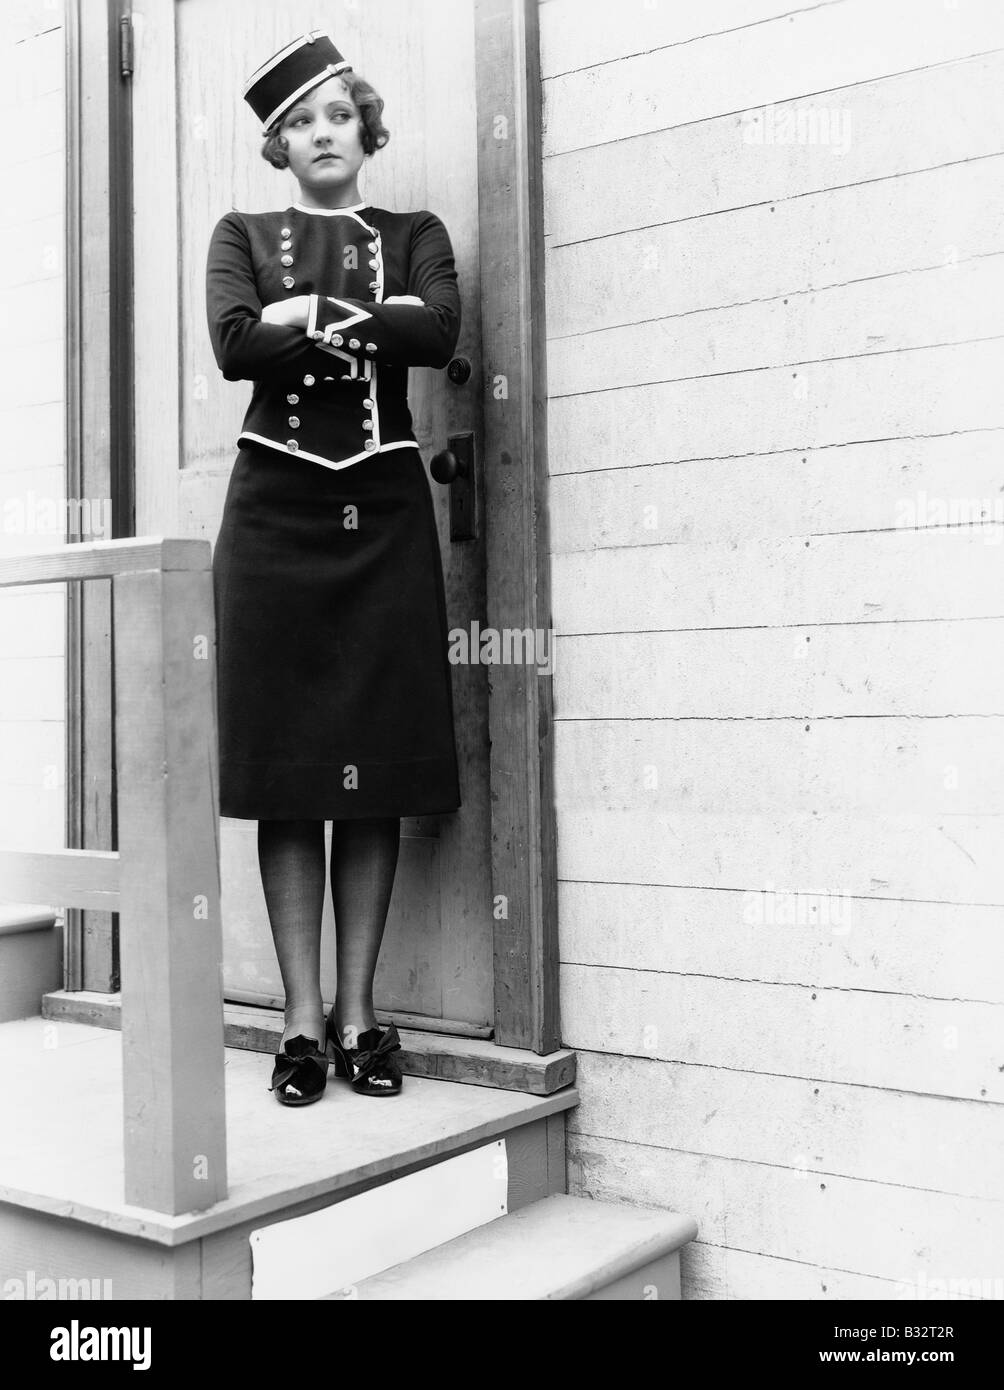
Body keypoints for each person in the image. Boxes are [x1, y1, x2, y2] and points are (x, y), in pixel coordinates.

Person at [205, 31, 462, 1106]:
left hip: (384, 516)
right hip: (272, 518)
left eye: (339, 116)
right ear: (278, 143)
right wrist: (347, 323)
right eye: (301, 121)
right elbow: (231, 343)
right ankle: (298, 1025)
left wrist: (300, 316)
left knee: (371, 770)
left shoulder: (415, 232)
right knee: (292, 775)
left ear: (365, 129)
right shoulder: (240, 232)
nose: (323, 134)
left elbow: (436, 326)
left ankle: (360, 1019)